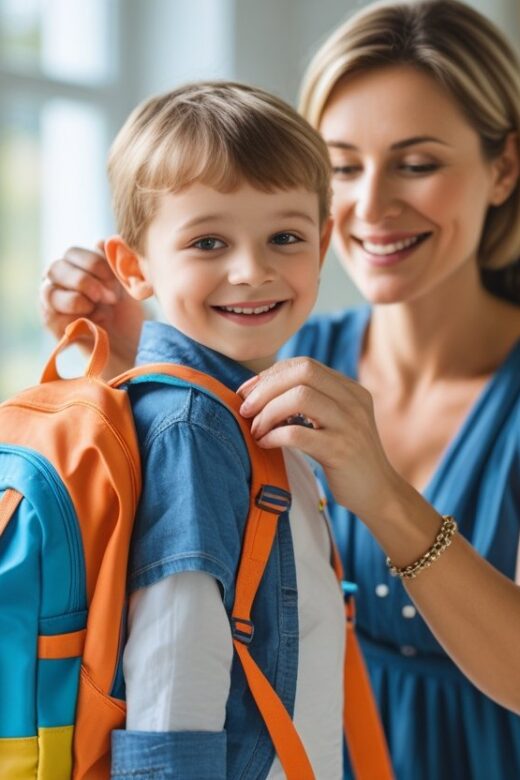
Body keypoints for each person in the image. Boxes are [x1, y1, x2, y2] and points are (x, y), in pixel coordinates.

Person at [39, 1, 520, 778]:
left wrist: (384, 496)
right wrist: (136, 350)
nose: (370, 205)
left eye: (418, 162)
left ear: (505, 166)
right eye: (342, 165)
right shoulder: (261, 362)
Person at [96, 80, 353, 780]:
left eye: (286, 237)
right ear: (134, 267)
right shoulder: (192, 426)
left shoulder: (246, 408)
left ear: (323, 243)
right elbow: (176, 646)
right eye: (208, 240)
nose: (252, 270)